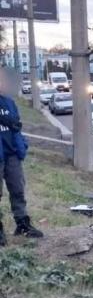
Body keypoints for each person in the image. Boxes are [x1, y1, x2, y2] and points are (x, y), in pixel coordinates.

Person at [0, 90, 43, 246]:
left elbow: (17, 126)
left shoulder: (8, 101)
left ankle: (22, 223)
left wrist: (21, 145)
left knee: (18, 190)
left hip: (12, 153)